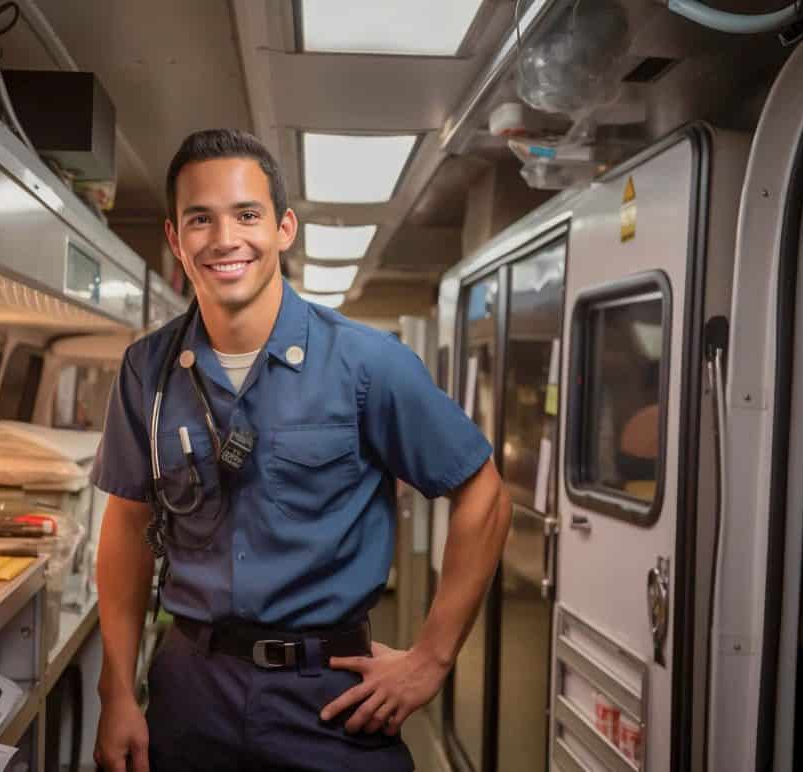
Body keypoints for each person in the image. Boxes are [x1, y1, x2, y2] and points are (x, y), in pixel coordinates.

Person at [91, 128, 511, 772]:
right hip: (188, 689)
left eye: (247, 214)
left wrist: (431, 660)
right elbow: (126, 525)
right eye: (200, 219)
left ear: (284, 228)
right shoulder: (145, 370)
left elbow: (482, 492)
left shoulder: (368, 363)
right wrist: (116, 690)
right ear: (176, 239)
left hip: (331, 698)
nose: (225, 238)